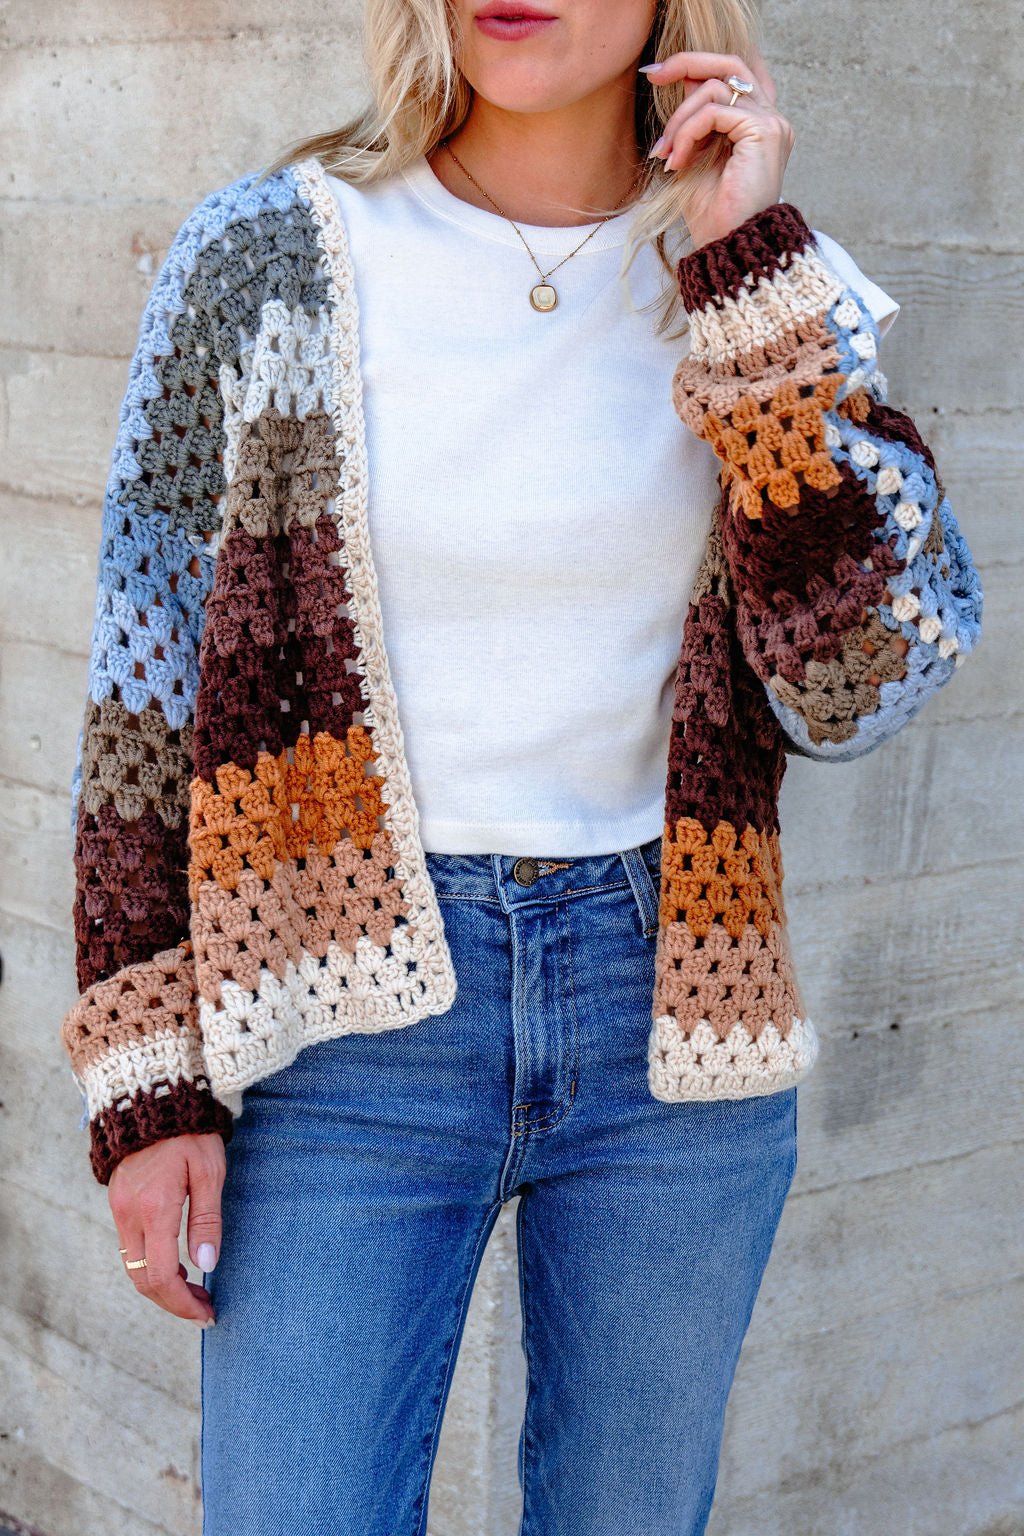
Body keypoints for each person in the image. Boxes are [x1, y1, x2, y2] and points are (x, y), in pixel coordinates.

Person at [60, 1, 982, 1532]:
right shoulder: (267, 258)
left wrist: (745, 291)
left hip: (670, 1013)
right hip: (336, 1034)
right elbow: (141, 705)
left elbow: (854, 685)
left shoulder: (761, 291)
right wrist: (147, 1087)